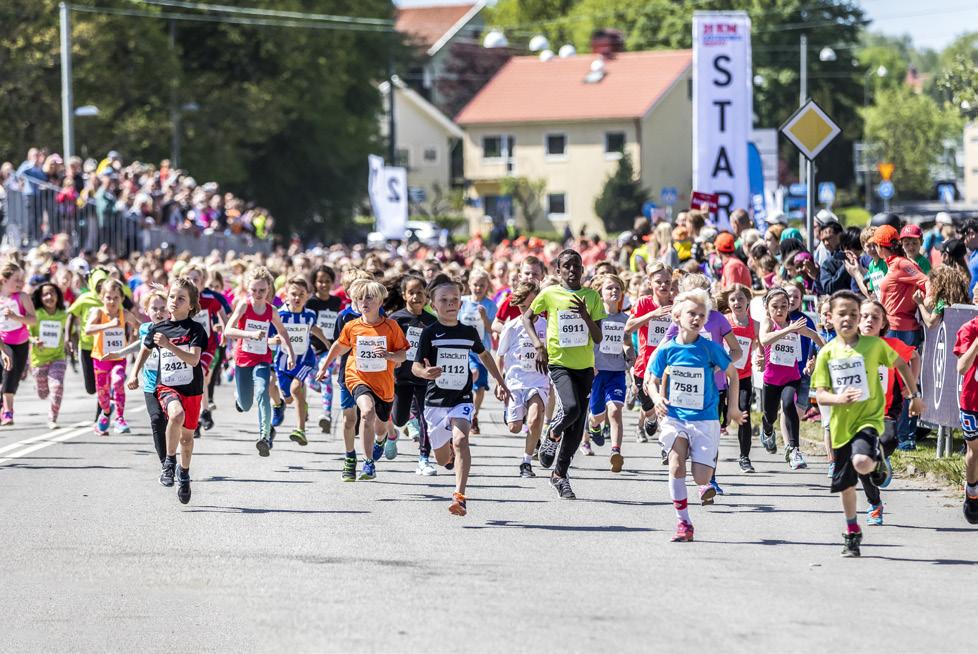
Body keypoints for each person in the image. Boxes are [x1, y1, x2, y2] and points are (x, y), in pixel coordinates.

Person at [812, 290, 922, 557]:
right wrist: (838, 399)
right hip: (841, 427)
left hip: (870, 419)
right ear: (830, 318)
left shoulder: (875, 346)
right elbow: (819, 394)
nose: (849, 319)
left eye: (854, 313)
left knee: (861, 461)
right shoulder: (827, 353)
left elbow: (904, 364)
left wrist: (914, 395)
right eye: (843, 314)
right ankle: (852, 531)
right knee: (846, 486)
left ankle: (876, 466)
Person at [645, 288, 744, 542]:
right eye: (692, 313)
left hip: (705, 418)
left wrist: (732, 408)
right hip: (676, 417)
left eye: (702, 315)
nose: (697, 319)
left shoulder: (710, 349)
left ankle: (705, 484)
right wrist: (657, 399)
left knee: (701, 477)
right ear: (677, 316)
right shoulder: (667, 349)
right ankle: (684, 523)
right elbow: (652, 381)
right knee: (676, 463)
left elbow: (733, 375)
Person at [413, 275, 510, 516]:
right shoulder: (429, 333)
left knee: (461, 440)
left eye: (455, 299)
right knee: (440, 458)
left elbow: (485, 355)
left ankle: (460, 495)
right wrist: (426, 372)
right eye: (444, 300)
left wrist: (500, 381)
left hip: (461, 398)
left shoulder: (467, 332)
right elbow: (415, 366)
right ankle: (449, 458)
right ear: (433, 305)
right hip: (435, 401)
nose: (450, 303)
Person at [522, 249, 606, 500]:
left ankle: (559, 476)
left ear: (582, 269)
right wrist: (538, 345)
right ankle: (552, 434)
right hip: (559, 362)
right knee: (570, 408)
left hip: (585, 366)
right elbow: (528, 317)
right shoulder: (549, 294)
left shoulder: (592, 297)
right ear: (558, 271)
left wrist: (584, 315)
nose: (572, 270)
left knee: (578, 425)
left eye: (576, 266)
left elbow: (599, 337)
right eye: (566, 266)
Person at [127, 278, 210, 504]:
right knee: (175, 415)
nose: (174, 301)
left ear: (191, 305)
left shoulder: (195, 329)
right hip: (167, 385)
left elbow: (194, 360)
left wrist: (169, 345)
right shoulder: (158, 328)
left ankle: (184, 473)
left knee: (187, 439)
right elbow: (145, 349)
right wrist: (134, 373)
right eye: (172, 296)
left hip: (191, 389)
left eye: (180, 298)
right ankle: (169, 462)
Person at [316, 279, 408, 481]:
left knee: (381, 426)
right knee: (366, 412)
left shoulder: (391, 326)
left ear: (380, 302)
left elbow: (403, 355)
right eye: (360, 298)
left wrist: (390, 356)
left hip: (383, 383)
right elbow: (339, 347)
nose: (364, 302)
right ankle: (368, 463)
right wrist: (324, 367)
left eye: (369, 297)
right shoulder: (351, 326)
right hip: (357, 377)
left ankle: (381, 440)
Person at [223, 266, 296, 455]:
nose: (257, 294)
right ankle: (240, 399)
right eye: (254, 290)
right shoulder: (244, 306)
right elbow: (228, 331)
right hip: (243, 359)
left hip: (263, 358)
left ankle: (264, 436)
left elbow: (283, 332)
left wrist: (290, 353)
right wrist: (251, 334)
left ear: (269, 290)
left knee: (263, 391)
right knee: (246, 404)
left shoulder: (271, 310)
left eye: (262, 290)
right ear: (248, 288)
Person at [858, 299, 919, 526]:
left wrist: (910, 384)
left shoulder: (892, 345)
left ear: (883, 323)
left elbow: (914, 357)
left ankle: (882, 458)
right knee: (862, 461)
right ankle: (874, 505)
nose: (869, 321)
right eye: (864, 316)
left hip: (887, 411)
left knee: (890, 439)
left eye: (875, 317)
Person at [758, 287, 823, 469]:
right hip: (771, 380)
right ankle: (767, 429)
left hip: (791, 377)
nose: (779, 311)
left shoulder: (797, 324)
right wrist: (788, 330)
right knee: (770, 415)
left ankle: (794, 450)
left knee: (788, 405)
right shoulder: (768, 323)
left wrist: (825, 350)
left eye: (783, 306)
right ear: (768, 308)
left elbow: (816, 337)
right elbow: (764, 340)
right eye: (775, 306)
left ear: (789, 308)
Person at [496, 281, 549, 478]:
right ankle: (511, 412)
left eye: (533, 305)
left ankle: (526, 462)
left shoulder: (547, 326)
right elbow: (500, 356)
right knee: (514, 428)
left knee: (535, 419)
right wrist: (500, 383)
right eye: (524, 306)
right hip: (515, 382)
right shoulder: (511, 327)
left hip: (538, 381)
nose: (528, 310)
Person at [267, 276, 328, 447]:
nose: (297, 297)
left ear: (308, 295)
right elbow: (269, 338)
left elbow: (314, 328)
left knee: (296, 388)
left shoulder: (309, 315)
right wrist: (274, 341)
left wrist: (328, 344)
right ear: (286, 294)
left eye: (302, 294)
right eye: (293, 294)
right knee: (288, 398)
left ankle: (300, 430)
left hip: (305, 360)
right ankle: (280, 405)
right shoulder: (279, 314)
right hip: (282, 362)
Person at [390, 274, 438, 474]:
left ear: (426, 296)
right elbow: (389, 347)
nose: (416, 297)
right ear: (404, 295)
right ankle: (392, 433)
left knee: (425, 418)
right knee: (399, 420)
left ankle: (424, 458)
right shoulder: (396, 319)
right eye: (412, 293)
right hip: (401, 378)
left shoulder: (432, 321)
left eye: (420, 292)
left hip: (423, 378)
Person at [584, 274, 630, 472]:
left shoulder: (625, 319)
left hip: (617, 372)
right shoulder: (595, 317)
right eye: (609, 288)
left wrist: (631, 357)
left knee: (615, 411)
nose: (614, 292)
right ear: (600, 294)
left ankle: (615, 451)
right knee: (597, 416)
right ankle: (593, 427)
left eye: (617, 289)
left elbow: (627, 344)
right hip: (597, 372)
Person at [624, 262, 674, 446]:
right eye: (659, 281)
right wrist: (653, 314)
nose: (663, 285)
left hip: (670, 365)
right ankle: (650, 417)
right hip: (644, 364)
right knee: (648, 405)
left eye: (667, 281)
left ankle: (666, 446)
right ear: (650, 283)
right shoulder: (644, 302)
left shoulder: (676, 304)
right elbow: (628, 327)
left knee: (668, 408)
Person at [85, 278, 140, 435]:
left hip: (118, 358)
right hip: (101, 359)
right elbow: (88, 329)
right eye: (108, 297)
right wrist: (108, 325)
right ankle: (106, 412)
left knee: (118, 381)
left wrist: (134, 337)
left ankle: (120, 418)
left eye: (116, 298)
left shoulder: (124, 314)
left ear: (122, 298)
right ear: (102, 298)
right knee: (103, 395)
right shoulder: (98, 312)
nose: (112, 301)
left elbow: (138, 326)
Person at [722, 284, 759, 472]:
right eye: (733, 299)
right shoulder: (724, 321)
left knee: (744, 413)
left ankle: (745, 457)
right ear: (728, 303)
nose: (737, 302)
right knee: (720, 418)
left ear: (748, 302)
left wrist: (760, 354)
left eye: (741, 299)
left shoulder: (756, 325)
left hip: (743, 376)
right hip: (721, 375)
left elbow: (761, 345)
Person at [306, 264, 345, 434]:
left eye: (327, 281)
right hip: (309, 349)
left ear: (332, 283)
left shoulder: (336, 302)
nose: (323, 284)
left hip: (328, 350)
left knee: (326, 377)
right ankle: (303, 405)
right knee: (310, 381)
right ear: (314, 283)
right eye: (320, 281)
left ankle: (326, 415)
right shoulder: (310, 302)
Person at [458, 268, 496, 435]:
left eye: (482, 285)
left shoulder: (489, 305)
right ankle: (462, 409)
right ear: (469, 284)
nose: (478, 288)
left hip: (481, 351)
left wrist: (484, 317)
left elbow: (491, 329)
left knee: (479, 387)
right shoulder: (462, 302)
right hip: (462, 350)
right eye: (475, 284)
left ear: (487, 285)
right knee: (471, 374)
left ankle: (474, 414)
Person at [0, 261, 37, 425]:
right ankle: (7, 411)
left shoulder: (22, 297)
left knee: (12, 377)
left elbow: (33, 320)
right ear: (4, 280)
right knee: (6, 374)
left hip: (20, 343)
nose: (21, 283)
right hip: (2, 342)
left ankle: (7, 407)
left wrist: (16, 317)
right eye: (17, 280)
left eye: (22, 280)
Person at [28, 281, 68, 429]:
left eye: (52, 293)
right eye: (45, 294)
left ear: (58, 296)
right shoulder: (36, 315)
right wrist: (34, 340)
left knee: (57, 387)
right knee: (43, 393)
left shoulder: (63, 315)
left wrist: (70, 341)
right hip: (39, 359)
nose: (49, 297)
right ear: (40, 297)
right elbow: (27, 334)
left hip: (58, 357)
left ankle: (52, 418)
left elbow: (70, 331)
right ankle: (39, 386)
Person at [954, 309, 978, 524]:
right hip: (973, 402)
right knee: (975, 451)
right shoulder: (968, 329)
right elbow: (961, 367)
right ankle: (972, 490)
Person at [913, 264, 969, 329]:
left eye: (933, 283)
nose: (932, 286)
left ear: (939, 284)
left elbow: (931, 323)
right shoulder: (961, 299)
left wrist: (920, 303)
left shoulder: (942, 302)